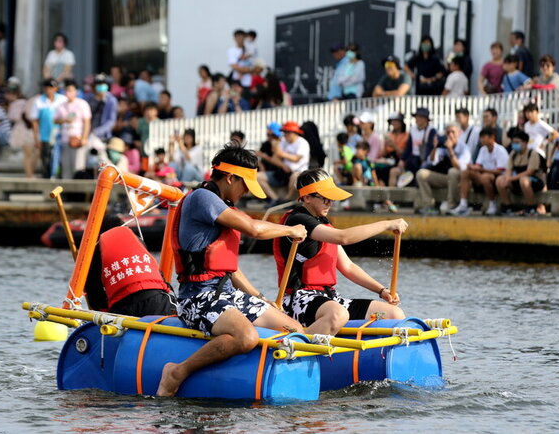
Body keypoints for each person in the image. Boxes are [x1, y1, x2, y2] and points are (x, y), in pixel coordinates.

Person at [156, 144, 307, 397]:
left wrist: (260, 298)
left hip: (228, 295)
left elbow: (230, 270)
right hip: (197, 298)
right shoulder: (203, 198)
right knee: (246, 337)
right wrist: (291, 230)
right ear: (230, 177)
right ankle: (177, 372)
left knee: (296, 331)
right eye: (245, 184)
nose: (246, 191)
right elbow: (255, 230)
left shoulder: (224, 208)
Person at [273, 169, 406, 335]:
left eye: (332, 199)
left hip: (329, 298)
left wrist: (381, 290)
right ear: (307, 197)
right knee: (338, 314)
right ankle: (294, 347)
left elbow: (348, 267)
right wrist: (386, 224)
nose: (330, 203)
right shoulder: (297, 220)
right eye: (325, 198)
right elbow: (343, 237)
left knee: (395, 314)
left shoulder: (323, 223)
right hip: (299, 299)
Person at [83, 215, 176, 316]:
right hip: (160, 302)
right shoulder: (137, 241)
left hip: (124, 308)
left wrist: (102, 314)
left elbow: (93, 290)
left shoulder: (97, 248)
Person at [449, 127, 509, 216]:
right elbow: (478, 165)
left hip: (496, 177)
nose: (482, 140)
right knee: (466, 172)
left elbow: (499, 171)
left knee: (485, 177)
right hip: (483, 175)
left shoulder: (500, 150)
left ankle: (492, 204)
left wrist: (481, 170)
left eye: (484, 137)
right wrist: (471, 167)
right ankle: (463, 204)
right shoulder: (483, 150)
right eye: (481, 137)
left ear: (492, 137)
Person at [415, 123, 471, 215]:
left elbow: (460, 168)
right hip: (446, 178)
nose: (450, 135)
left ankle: (451, 204)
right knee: (421, 174)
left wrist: (450, 151)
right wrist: (435, 148)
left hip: (460, 180)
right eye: (448, 132)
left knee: (452, 171)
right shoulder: (443, 146)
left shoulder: (464, 148)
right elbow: (431, 161)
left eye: (453, 132)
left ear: (459, 133)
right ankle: (428, 205)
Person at [496, 130, 546, 215]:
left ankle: (531, 207)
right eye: (513, 142)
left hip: (535, 181)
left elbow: (530, 172)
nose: (514, 144)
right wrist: (507, 178)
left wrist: (511, 178)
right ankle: (508, 206)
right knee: (499, 180)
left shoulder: (532, 153)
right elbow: (509, 170)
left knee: (524, 180)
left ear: (525, 143)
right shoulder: (513, 154)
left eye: (517, 142)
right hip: (518, 181)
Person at [389, 108, 437, 187]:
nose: (417, 119)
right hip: (413, 158)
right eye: (416, 117)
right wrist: (402, 159)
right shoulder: (413, 129)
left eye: (419, 117)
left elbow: (430, 149)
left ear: (425, 119)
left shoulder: (431, 131)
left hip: (425, 159)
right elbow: (409, 147)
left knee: (422, 169)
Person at [29, 78, 67, 178]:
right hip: (45, 135)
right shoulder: (39, 101)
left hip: (61, 135)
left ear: (56, 88)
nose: (49, 90)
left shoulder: (63, 99)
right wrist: (36, 138)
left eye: (52, 87)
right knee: (46, 159)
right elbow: (34, 121)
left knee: (60, 159)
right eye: (47, 88)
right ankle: (47, 179)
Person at [54, 79, 91, 179]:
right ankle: (66, 194)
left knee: (78, 168)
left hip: (78, 140)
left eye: (70, 90)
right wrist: (65, 120)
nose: (68, 93)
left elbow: (87, 123)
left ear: (76, 91)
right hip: (65, 139)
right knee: (66, 169)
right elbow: (55, 120)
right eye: (66, 90)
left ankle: (78, 194)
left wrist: (84, 138)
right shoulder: (62, 105)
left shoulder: (82, 104)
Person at [256, 122, 290, 205]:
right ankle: (272, 198)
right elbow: (258, 157)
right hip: (271, 172)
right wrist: (261, 164)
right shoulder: (266, 144)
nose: (269, 137)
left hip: (281, 174)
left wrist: (264, 156)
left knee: (258, 176)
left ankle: (275, 199)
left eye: (272, 135)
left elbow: (278, 162)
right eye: (268, 134)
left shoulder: (282, 144)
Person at [275, 121, 310, 199]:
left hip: (300, 171)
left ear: (294, 133)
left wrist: (282, 154)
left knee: (295, 177)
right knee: (260, 177)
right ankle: (275, 199)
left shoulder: (302, 142)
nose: (285, 134)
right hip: (284, 171)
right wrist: (283, 165)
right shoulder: (283, 141)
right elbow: (275, 157)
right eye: (284, 132)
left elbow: (296, 158)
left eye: (287, 132)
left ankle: (287, 199)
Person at [87, 74, 118, 155]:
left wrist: (97, 132)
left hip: (103, 137)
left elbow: (111, 121)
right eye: (98, 85)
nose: (101, 87)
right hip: (88, 135)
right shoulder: (89, 99)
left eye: (103, 84)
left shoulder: (111, 100)